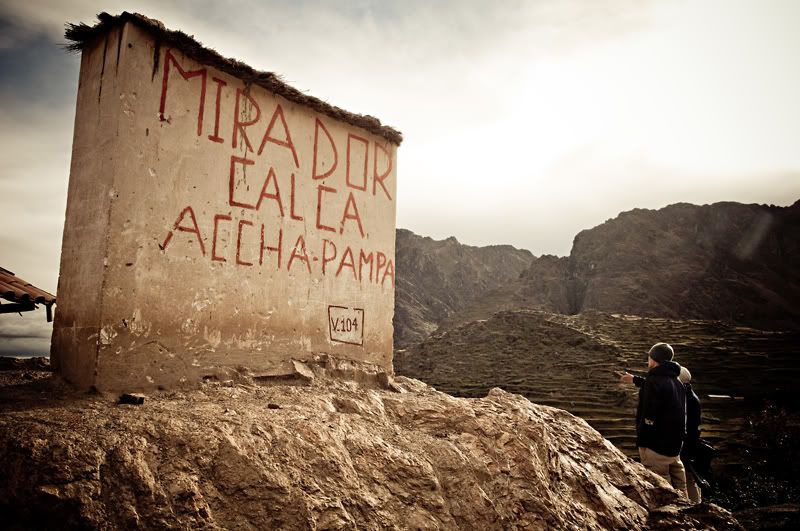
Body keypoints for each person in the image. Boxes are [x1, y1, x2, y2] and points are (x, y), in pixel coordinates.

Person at [620, 342, 688, 497]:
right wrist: (636, 380)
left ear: (654, 360)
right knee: (681, 488)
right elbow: (660, 388)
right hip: (675, 447)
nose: (647, 361)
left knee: (661, 488)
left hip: (656, 447)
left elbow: (650, 415)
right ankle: (690, 514)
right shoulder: (677, 383)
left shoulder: (654, 382)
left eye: (649, 358)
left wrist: (644, 441)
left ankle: (672, 518)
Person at [679, 366, 703, 503]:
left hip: (688, 443)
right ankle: (697, 504)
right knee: (690, 477)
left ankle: (695, 506)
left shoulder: (688, 399)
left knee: (689, 477)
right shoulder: (690, 396)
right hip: (691, 442)